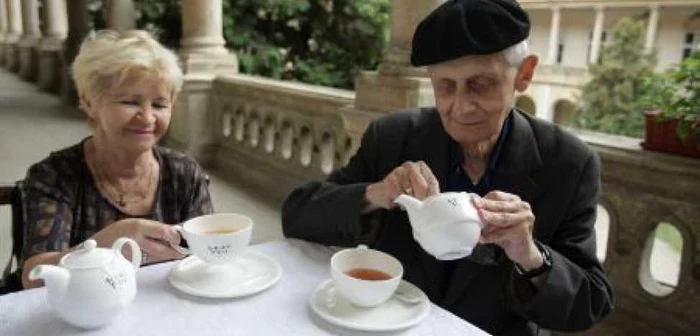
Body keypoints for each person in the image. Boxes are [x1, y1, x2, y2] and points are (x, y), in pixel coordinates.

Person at [282, 0, 613, 334]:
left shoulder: (570, 164)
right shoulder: (394, 137)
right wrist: (375, 194)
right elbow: (296, 216)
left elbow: (590, 304)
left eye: (481, 84)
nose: (461, 106)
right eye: (445, 86)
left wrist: (530, 256)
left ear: (524, 74)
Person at [17, 30, 214, 289]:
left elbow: (209, 255)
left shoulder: (185, 174)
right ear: (89, 103)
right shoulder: (55, 176)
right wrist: (108, 242)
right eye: (130, 102)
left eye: (159, 104)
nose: (147, 117)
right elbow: (34, 277)